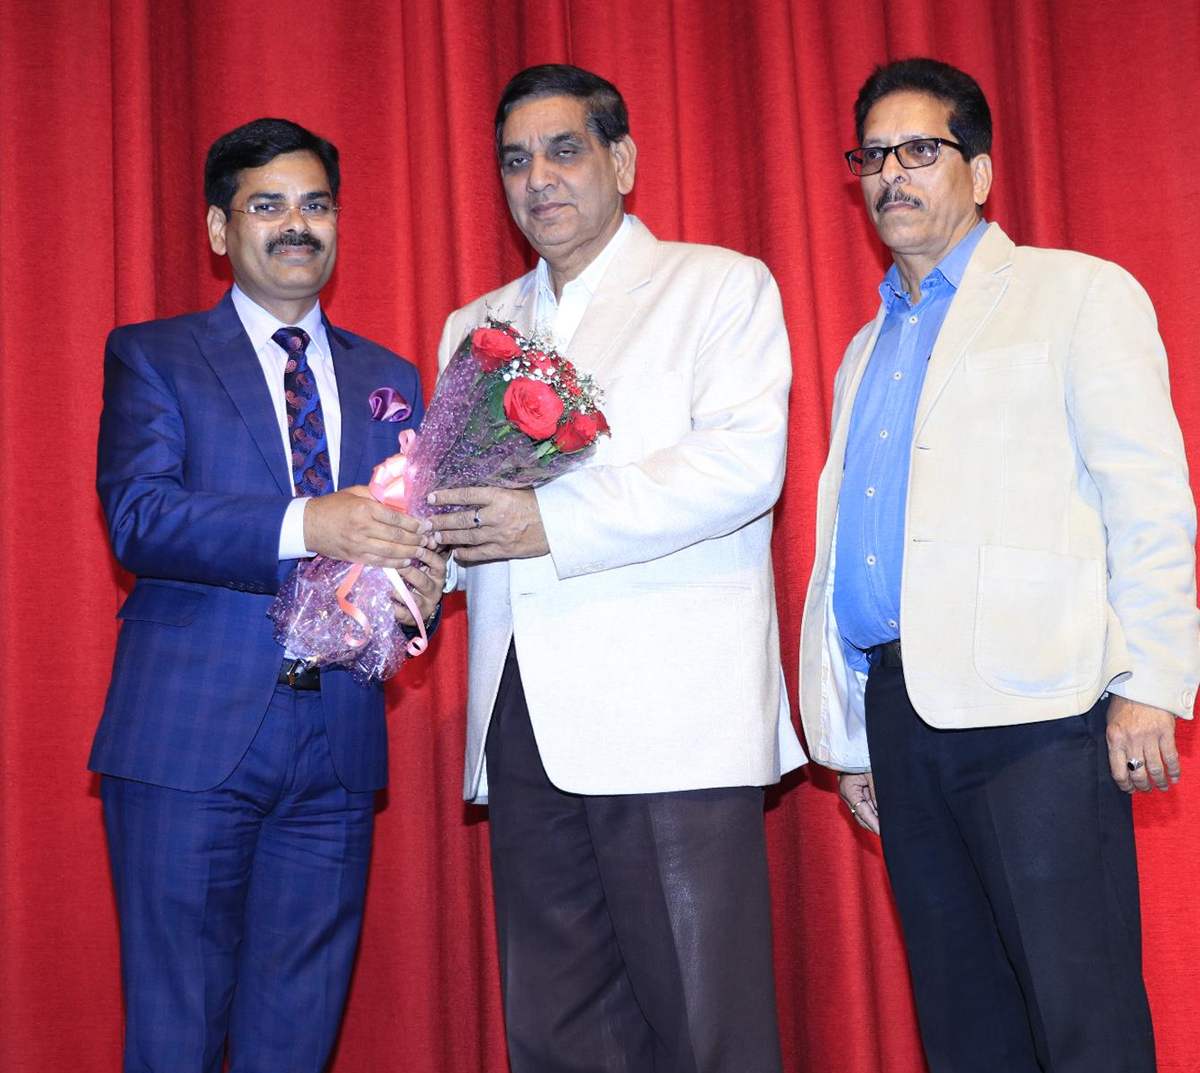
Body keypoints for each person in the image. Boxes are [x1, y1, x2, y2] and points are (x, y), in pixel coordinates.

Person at [798, 57, 1199, 1073]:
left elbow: (1146, 497)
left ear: (977, 168)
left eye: (919, 149)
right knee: (965, 1021)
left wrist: (1150, 680)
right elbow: (857, 547)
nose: (892, 174)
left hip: (1039, 717)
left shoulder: (1076, 293)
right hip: (901, 711)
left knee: (1083, 1016)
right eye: (873, 156)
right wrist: (850, 731)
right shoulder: (864, 346)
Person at [427, 64, 805, 1073]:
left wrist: (548, 520)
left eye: (564, 150)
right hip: (522, 717)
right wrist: (415, 571)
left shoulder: (717, 286)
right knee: (557, 1031)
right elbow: (463, 517)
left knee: (704, 1026)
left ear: (622, 161)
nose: (539, 179)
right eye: (515, 160)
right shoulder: (476, 326)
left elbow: (740, 469)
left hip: (669, 717)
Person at [90, 117, 444, 1072]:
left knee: (297, 1034)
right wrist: (307, 525)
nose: (298, 225)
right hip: (187, 737)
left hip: (335, 745)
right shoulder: (153, 355)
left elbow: (406, 536)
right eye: (268, 204)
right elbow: (140, 517)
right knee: (176, 1030)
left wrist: (424, 577)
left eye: (316, 204)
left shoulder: (392, 378)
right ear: (218, 229)